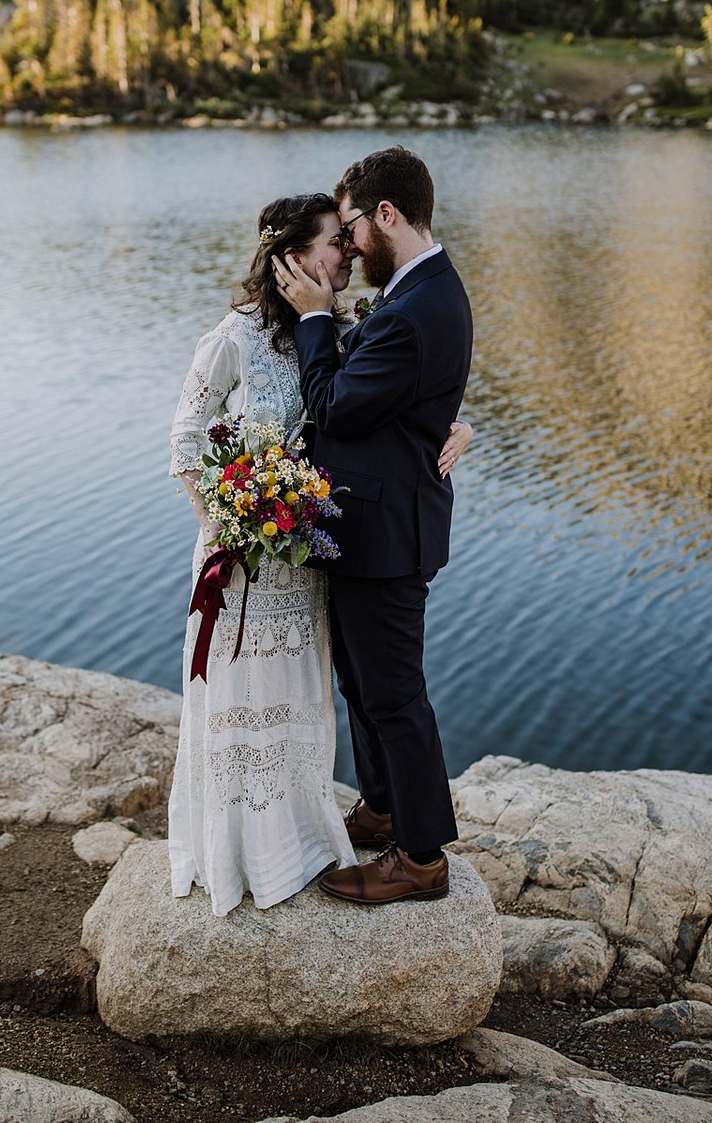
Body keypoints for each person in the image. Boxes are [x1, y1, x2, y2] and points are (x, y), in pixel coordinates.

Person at [168, 190, 471, 917]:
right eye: (337, 241)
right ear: (292, 257)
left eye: (349, 235)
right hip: (244, 562)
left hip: (309, 561)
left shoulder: (335, 325)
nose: (350, 252)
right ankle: (247, 849)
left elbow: (384, 395)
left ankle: (314, 836)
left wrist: (454, 425)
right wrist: (228, 528)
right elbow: (186, 441)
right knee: (264, 704)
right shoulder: (233, 337)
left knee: (318, 700)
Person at [274, 147, 472, 906]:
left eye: (352, 226)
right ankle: (384, 805)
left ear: (386, 214)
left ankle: (420, 857)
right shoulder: (418, 291)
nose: (350, 244)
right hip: (376, 524)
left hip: (389, 536)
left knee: (394, 696)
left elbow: (338, 405)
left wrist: (318, 319)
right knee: (363, 683)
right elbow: (405, 391)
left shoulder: (419, 306)